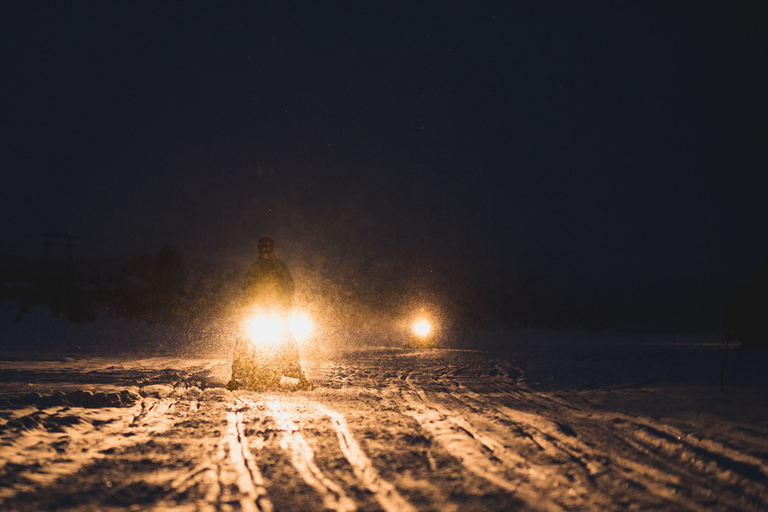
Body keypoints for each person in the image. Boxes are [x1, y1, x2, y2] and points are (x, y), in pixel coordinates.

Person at [244, 237, 295, 309]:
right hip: (259, 305)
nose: (265, 253)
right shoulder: (254, 268)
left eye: (268, 250)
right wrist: (250, 304)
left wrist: (287, 300)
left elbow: (289, 283)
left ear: (273, 250)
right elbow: (247, 287)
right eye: (263, 250)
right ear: (259, 251)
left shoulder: (280, 266)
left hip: (279, 304)